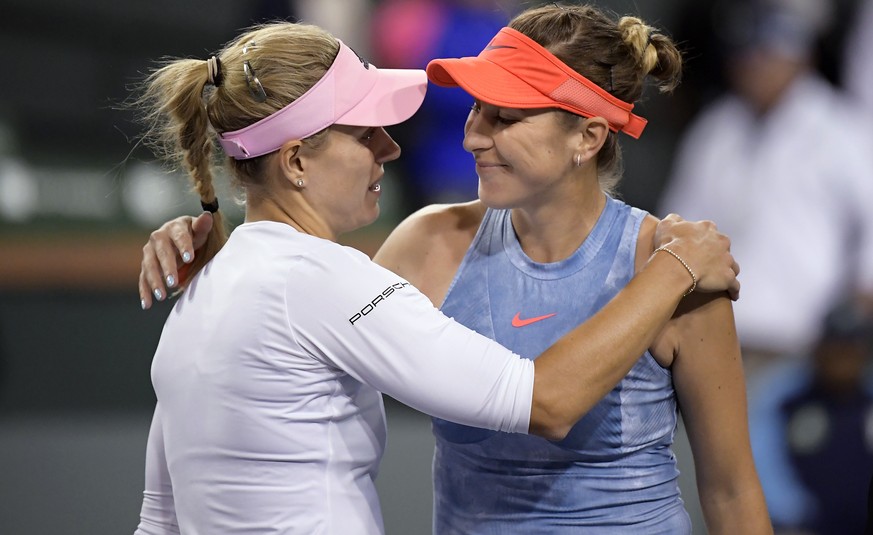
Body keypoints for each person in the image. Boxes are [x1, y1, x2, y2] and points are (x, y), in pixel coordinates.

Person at [130, 19, 741, 535]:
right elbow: (548, 402)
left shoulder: (214, 291)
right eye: (364, 133)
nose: (393, 149)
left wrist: (221, 257)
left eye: (504, 115)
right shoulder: (337, 278)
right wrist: (678, 269)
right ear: (294, 161)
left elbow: (158, 517)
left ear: (588, 135)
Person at [659, 0, 873, 378]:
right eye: (746, 54)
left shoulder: (844, 130)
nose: (754, 64)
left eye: (768, 53)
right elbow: (673, 230)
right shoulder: (716, 129)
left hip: (804, 350)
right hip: (711, 342)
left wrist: (853, 324)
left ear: (800, 56)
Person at [749, 300, 873, 535]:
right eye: (835, 345)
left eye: (851, 347)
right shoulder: (787, 397)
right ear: (819, 348)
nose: (843, 356)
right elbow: (761, 459)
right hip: (802, 526)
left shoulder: (868, 399)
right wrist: (795, 514)